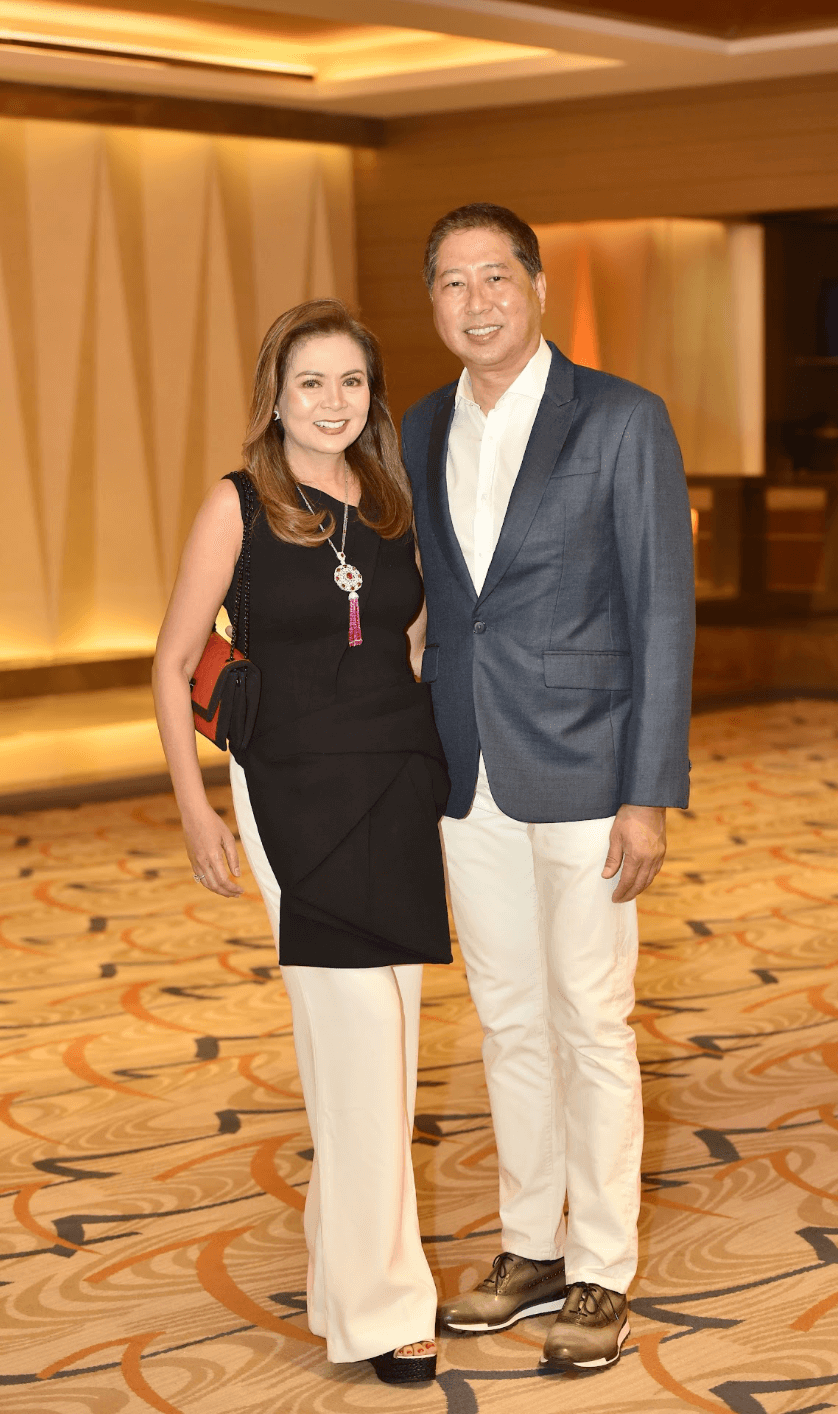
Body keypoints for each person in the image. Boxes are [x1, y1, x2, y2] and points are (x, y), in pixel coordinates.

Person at [400, 204, 695, 1374]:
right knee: (508, 1015)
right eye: (451, 284)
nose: (476, 302)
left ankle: (601, 1269)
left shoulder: (621, 418)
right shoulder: (421, 425)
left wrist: (649, 788)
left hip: (589, 767)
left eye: (494, 277)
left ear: (535, 284)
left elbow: (661, 607)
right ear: (433, 304)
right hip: (464, 764)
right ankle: (529, 1245)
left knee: (591, 1015)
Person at [153, 298, 452, 1386]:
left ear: (372, 396)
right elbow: (175, 659)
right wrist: (197, 805)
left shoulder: (387, 501)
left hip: (394, 786)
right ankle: (389, 1307)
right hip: (290, 796)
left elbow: (410, 640)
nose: (333, 401)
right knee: (361, 1040)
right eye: (311, 381)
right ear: (275, 394)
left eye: (353, 382)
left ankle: (346, 1284)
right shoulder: (236, 506)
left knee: (385, 1051)